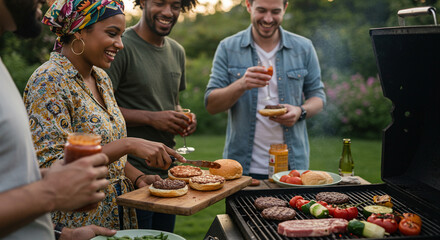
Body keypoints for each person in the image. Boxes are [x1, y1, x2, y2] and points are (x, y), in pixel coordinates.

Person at [23, 0, 186, 231]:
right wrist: (128, 144)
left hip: (117, 214)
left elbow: (108, 150)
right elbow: (52, 168)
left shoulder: (100, 77)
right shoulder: (49, 81)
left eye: (121, 35)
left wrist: (138, 178)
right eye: (112, 34)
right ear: (79, 30)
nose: (120, 44)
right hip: (76, 224)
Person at [0, 0, 117, 239]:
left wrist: (62, 234)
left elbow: (13, 178)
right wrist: (51, 191)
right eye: (113, 33)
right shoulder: (47, 78)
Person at [204, 0, 326, 180]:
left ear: (285, 8)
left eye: (275, 11)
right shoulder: (228, 47)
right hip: (241, 170)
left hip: (292, 170)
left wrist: (300, 111)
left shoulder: (303, 47)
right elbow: (211, 105)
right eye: (261, 10)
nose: (268, 19)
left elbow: (318, 97)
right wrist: (242, 84)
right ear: (248, 6)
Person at [104, 0, 197, 232]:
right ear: (143, 2)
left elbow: (171, 101)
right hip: (130, 174)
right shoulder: (118, 45)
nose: (168, 12)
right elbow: (100, 110)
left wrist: (181, 117)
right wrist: (151, 118)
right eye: (160, 3)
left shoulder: (177, 50)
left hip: (167, 173)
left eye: (175, 5)